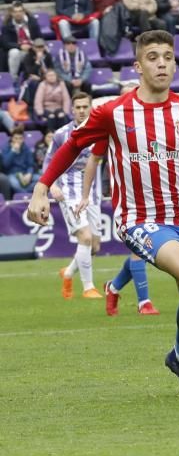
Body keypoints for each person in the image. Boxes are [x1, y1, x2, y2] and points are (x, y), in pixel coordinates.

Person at [27, 29, 179, 396]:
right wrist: (40, 189)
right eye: (153, 57)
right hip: (137, 217)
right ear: (137, 66)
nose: (162, 62)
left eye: (167, 56)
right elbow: (71, 147)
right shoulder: (113, 112)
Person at [76, 150, 160, 315]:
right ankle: (144, 303)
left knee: (144, 252)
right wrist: (85, 195)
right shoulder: (118, 133)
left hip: (152, 197)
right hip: (128, 201)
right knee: (139, 249)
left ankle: (112, 287)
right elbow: (95, 159)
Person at [43, 92, 102, 300]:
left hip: (92, 193)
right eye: (78, 107)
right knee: (85, 237)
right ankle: (89, 288)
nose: (82, 111)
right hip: (68, 191)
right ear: (72, 109)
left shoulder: (99, 132)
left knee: (94, 245)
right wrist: (52, 186)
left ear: (91, 108)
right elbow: (49, 161)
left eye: (85, 107)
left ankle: (67, 273)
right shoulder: (61, 134)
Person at [1, 125, 39, 196]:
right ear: (12, 138)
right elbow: (5, 165)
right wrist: (13, 151)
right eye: (16, 138)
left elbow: (30, 164)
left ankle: (24, 194)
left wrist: (29, 174)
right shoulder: (6, 148)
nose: (18, 140)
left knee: (40, 179)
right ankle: (26, 195)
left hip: (25, 173)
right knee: (14, 184)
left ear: (23, 139)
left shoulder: (26, 148)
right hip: (12, 174)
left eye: (20, 138)